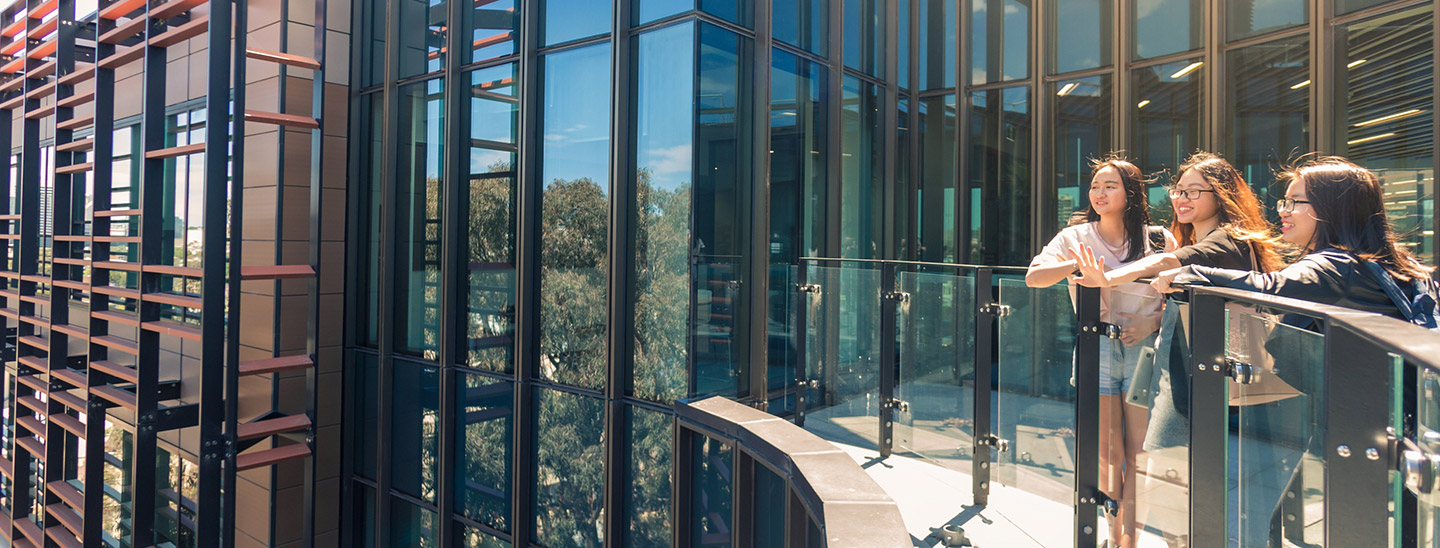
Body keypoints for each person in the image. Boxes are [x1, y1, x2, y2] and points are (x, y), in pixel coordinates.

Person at [1151, 156, 1438, 546]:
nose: (1283, 211)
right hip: (1399, 424)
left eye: (1295, 201)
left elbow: (1269, 287)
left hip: (1365, 428)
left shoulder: (1333, 265)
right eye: (1283, 202)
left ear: (1331, 208)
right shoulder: (1397, 266)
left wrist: (1187, 274)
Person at [1067, 152, 1289, 546]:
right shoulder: (1211, 237)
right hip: (1196, 378)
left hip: (1196, 383)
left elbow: (1166, 260)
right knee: (1182, 487)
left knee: (1174, 487)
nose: (1181, 198)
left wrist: (1107, 277)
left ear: (1220, 195)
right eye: (1177, 190)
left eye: (1193, 191)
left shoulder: (1226, 238)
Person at [1026, 153, 1173, 548]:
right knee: (1106, 453)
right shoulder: (1075, 236)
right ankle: (1113, 535)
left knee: (1138, 453)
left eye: (1110, 185)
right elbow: (1033, 277)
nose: (1099, 192)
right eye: (1094, 185)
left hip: (1145, 352)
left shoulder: (1158, 238)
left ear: (1132, 193)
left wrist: (1151, 322)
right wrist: (1070, 265)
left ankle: (1128, 541)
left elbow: (1177, 299)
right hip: (1097, 349)